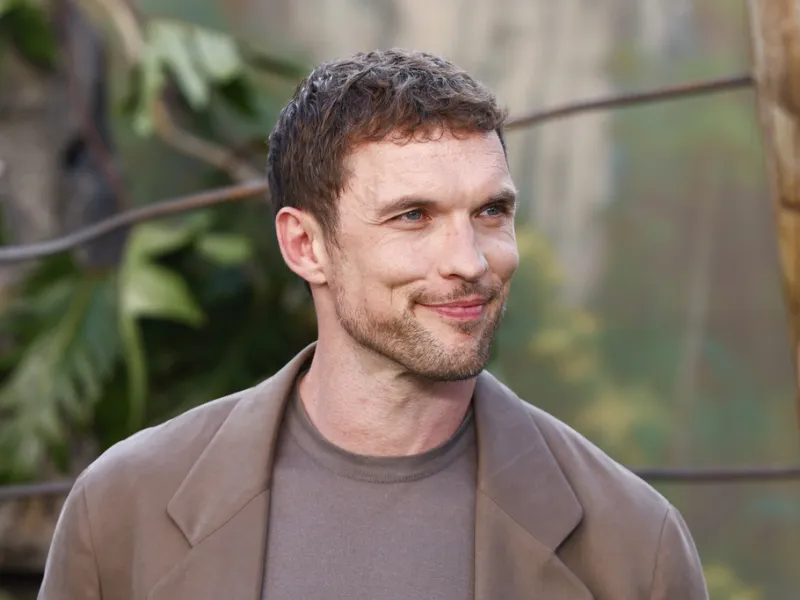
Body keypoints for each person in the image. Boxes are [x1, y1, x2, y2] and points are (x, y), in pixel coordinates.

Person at [39, 49, 708, 600]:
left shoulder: (631, 545)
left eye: (491, 212)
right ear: (306, 245)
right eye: (413, 216)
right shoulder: (123, 509)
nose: (470, 261)